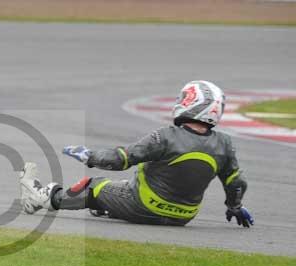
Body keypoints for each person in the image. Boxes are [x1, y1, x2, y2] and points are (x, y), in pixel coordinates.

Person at [19, 80, 254, 227]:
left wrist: (90, 156)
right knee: (125, 185)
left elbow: (121, 159)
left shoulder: (166, 136)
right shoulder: (224, 144)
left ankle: (42, 198)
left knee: (95, 186)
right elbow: (236, 182)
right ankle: (106, 207)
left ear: (193, 103)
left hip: (145, 206)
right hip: (183, 217)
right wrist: (234, 206)